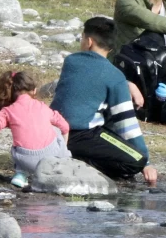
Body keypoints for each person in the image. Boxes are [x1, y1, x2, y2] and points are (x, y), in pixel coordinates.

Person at [50, 17, 157, 183]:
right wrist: (146, 163)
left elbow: (89, 81)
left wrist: (126, 83)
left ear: (89, 41)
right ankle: (82, 162)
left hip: (53, 131)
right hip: (81, 135)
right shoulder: (114, 76)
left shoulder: (70, 61)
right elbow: (126, 122)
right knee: (137, 160)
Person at [0, 70, 71, 188]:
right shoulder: (42, 106)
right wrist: (62, 147)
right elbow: (65, 126)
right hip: (52, 159)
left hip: (26, 161)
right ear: (34, 90)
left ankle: (21, 174)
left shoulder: (8, 111)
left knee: (18, 147)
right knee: (56, 130)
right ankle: (64, 162)